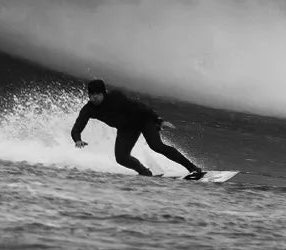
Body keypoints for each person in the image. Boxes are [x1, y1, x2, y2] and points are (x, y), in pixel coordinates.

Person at [70, 77, 206, 181]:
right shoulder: (89, 109)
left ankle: (193, 169)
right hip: (126, 129)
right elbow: (77, 127)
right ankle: (144, 172)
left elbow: (139, 107)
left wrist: (158, 120)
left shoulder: (115, 98)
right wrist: (77, 139)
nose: (93, 98)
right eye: (91, 95)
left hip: (143, 120)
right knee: (121, 157)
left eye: (96, 94)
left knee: (156, 146)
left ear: (103, 93)